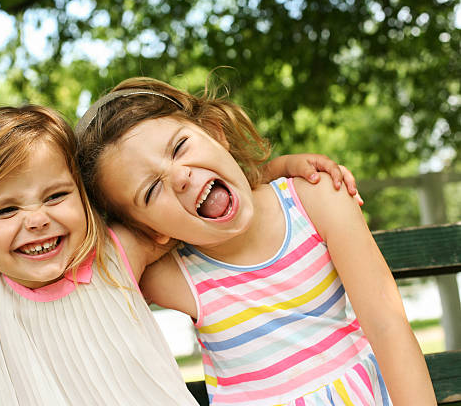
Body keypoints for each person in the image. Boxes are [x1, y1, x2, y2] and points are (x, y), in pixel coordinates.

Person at [69, 77, 436, 405]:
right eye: (150, 191)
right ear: (146, 229)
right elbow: (96, 274)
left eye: (180, 147)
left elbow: (387, 324)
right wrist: (152, 237)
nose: (179, 177)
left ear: (216, 132)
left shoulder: (314, 198)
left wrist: (266, 171)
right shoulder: (176, 275)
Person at [0, 105, 202, 405]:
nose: (37, 220)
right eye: (7, 210)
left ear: (82, 195)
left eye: (56, 196)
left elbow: (197, 221)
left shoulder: (117, 254)